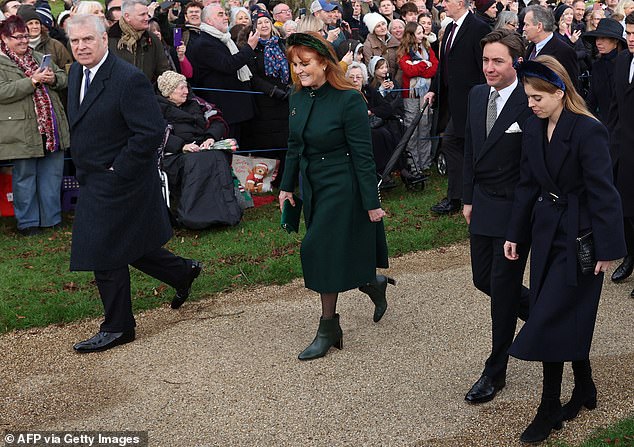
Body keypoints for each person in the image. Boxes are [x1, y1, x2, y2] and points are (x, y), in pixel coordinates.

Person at [503, 55, 625, 443]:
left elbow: (604, 193)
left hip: (581, 238)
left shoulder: (589, 130)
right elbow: (526, 184)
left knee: (551, 318)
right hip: (545, 233)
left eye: (539, 97)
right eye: (528, 97)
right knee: (556, 313)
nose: (532, 104)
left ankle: (548, 407)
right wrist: (514, 234)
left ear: (560, 92)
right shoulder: (536, 126)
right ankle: (584, 386)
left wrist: (609, 248)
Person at [66, 14, 202, 353]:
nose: (81, 46)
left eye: (88, 40)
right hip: (93, 175)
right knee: (130, 246)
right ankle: (182, 272)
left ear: (103, 40)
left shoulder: (128, 78)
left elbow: (151, 130)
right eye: (75, 41)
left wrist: (119, 169)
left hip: (119, 179)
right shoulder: (74, 73)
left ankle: (118, 326)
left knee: (102, 248)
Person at [278, 32, 393, 361]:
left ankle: (328, 328)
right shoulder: (297, 98)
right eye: (294, 64)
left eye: (305, 63)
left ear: (325, 63)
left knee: (317, 248)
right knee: (331, 248)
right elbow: (294, 146)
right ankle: (372, 281)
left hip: (343, 186)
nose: (299, 70)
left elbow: (363, 155)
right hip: (313, 185)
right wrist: (287, 186)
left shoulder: (350, 100)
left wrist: (372, 203)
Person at [462, 29, 532, 405]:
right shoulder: (476, 95)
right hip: (483, 203)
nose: (489, 68)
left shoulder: (530, 99)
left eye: (498, 61)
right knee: (482, 280)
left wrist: (521, 220)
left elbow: (532, 168)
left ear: (516, 62)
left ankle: (494, 372)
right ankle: (544, 314)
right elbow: (472, 148)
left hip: (515, 209)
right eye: (486, 60)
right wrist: (467, 198)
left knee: (503, 291)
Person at [0, 15, 69, 236]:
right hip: (22, 129)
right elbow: (3, 92)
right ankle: (28, 223)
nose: (23, 41)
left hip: (51, 127)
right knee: (25, 177)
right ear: (4, 38)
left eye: (25, 36)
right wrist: (31, 82)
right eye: (17, 37)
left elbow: (63, 78)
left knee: (52, 175)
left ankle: (52, 219)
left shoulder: (39, 56)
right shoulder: (1, 63)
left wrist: (52, 78)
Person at [424, 0, 490, 214]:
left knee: (461, 146)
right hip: (454, 103)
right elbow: (445, 65)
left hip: (473, 101)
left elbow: (484, 66)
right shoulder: (450, 28)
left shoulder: (478, 28)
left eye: (447, 1)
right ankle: (458, 197)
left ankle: (467, 197)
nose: (442, 4)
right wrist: (434, 88)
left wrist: (484, 98)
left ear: (460, 3)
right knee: (454, 144)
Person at [156, 71, 242, 228]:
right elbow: (156, 133)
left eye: (186, 87)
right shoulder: (155, 109)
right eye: (181, 88)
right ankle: (193, 216)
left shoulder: (196, 102)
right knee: (198, 161)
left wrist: (210, 137)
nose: (186, 91)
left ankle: (227, 213)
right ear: (169, 92)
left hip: (202, 147)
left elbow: (217, 120)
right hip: (173, 156)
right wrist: (182, 146)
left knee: (217, 156)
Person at [187, 3, 259, 140]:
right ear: (208, 20)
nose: (225, 17)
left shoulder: (223, 39)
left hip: (236, 109)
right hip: (225, 110)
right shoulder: (204, 43)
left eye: (225, 14)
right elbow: (228, 65)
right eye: (220, 14)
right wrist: (249, 48)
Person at [607, 12, 634, 297]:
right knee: (624, 207)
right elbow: (615, 103)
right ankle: (630, 255)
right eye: (629, 34)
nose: (631, 39)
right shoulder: (622, 60)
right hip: (621, 146)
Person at [397, 21, 438, 174]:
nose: (423, 35)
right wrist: (423, 64)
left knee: (425, 127)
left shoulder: (427, 48)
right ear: (412, 34)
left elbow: (434, 68)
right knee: (412, 129)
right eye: (419, 32)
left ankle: (425, 163)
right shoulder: (404, 52)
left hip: (426, 94)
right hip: (411, 95)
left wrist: (420, 65)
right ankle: (413, 164)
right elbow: (408, 70)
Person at [107, 0, 170, 82]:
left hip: (145, 92)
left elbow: (164, 71)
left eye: (147, 14)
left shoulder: (153, 39)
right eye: (142, 15)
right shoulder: (108, 39)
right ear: (127, 16)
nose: (147, 18)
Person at [523, 5, 579, 87]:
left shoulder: (564, 52)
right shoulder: (532, 46)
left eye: (526, 25)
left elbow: (571, 87)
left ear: (539, 26)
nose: (524, 28)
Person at [583, 18, 625, 125]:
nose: (598, 42)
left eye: (603, 38)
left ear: (615, 41)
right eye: (597, 38)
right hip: (603, 124)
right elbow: (592, 99)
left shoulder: (625, 65)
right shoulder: (597, 65)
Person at [17, 5, 72, 70]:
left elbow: (68, 69)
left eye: (37, 23)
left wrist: (55, 77)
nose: (35, 26)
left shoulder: (55, 45)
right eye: (30, 23)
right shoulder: (17, 47)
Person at [363, 12, 400, 79]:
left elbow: (400, 66)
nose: (382, 28)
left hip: (396, 82)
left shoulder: (395, 41)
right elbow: (370, 69)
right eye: (378, 26)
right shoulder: (368, 45)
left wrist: (396, 82)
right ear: (373, 30)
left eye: (383, 24)